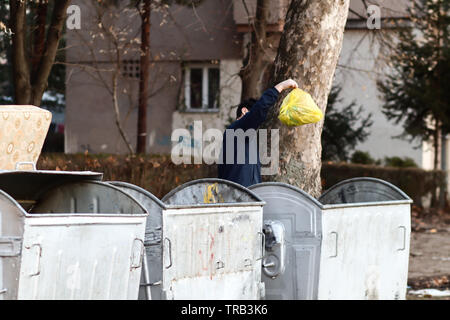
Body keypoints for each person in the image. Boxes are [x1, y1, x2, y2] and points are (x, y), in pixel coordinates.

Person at [218, 79, 298, 187]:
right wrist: (281, 86)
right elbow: (258, 111)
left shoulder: (244, 138)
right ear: (245, 111)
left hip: (244, 197)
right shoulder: (236, 130)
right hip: (238, 198)